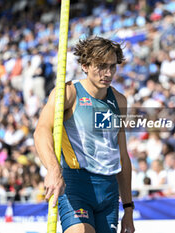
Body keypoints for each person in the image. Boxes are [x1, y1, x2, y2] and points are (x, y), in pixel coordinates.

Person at [34, 37, 135, 233]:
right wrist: (53, 170)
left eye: (112, 67)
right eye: (101, 66)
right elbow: (41, 131)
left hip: (108, 190)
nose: (108, 73)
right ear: (85, 66)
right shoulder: (68, 93)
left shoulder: (120, 101)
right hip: (76, 184)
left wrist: (128, 209)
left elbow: (123, 156)